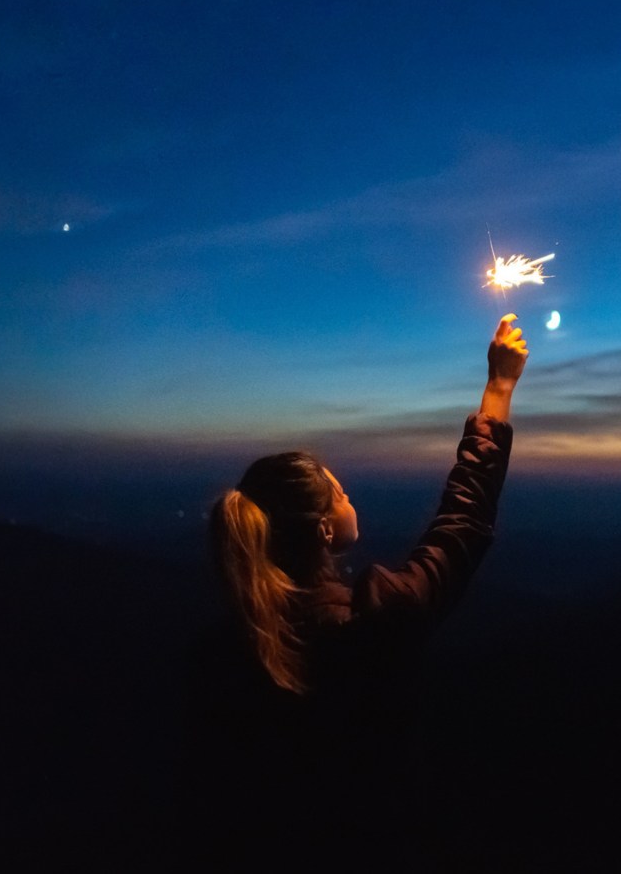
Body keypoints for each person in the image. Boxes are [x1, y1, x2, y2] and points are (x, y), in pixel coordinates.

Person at [178, 314, 528, 869]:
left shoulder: (221, 650)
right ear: (321, 528)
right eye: (339, 493)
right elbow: (462, 524)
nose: (349, 496)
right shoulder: (368, 624)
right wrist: (499, 388)